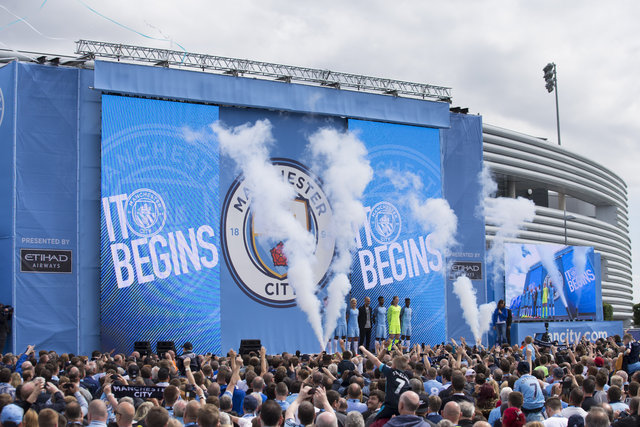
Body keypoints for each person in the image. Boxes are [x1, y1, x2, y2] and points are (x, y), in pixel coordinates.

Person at [359, 345, 410, 421]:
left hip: (389, 405)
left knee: (375, 421)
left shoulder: (390, 371)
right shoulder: (407, 378)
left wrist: (364, 349)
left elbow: (376, 360)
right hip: (401, 406)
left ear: (394, 366)